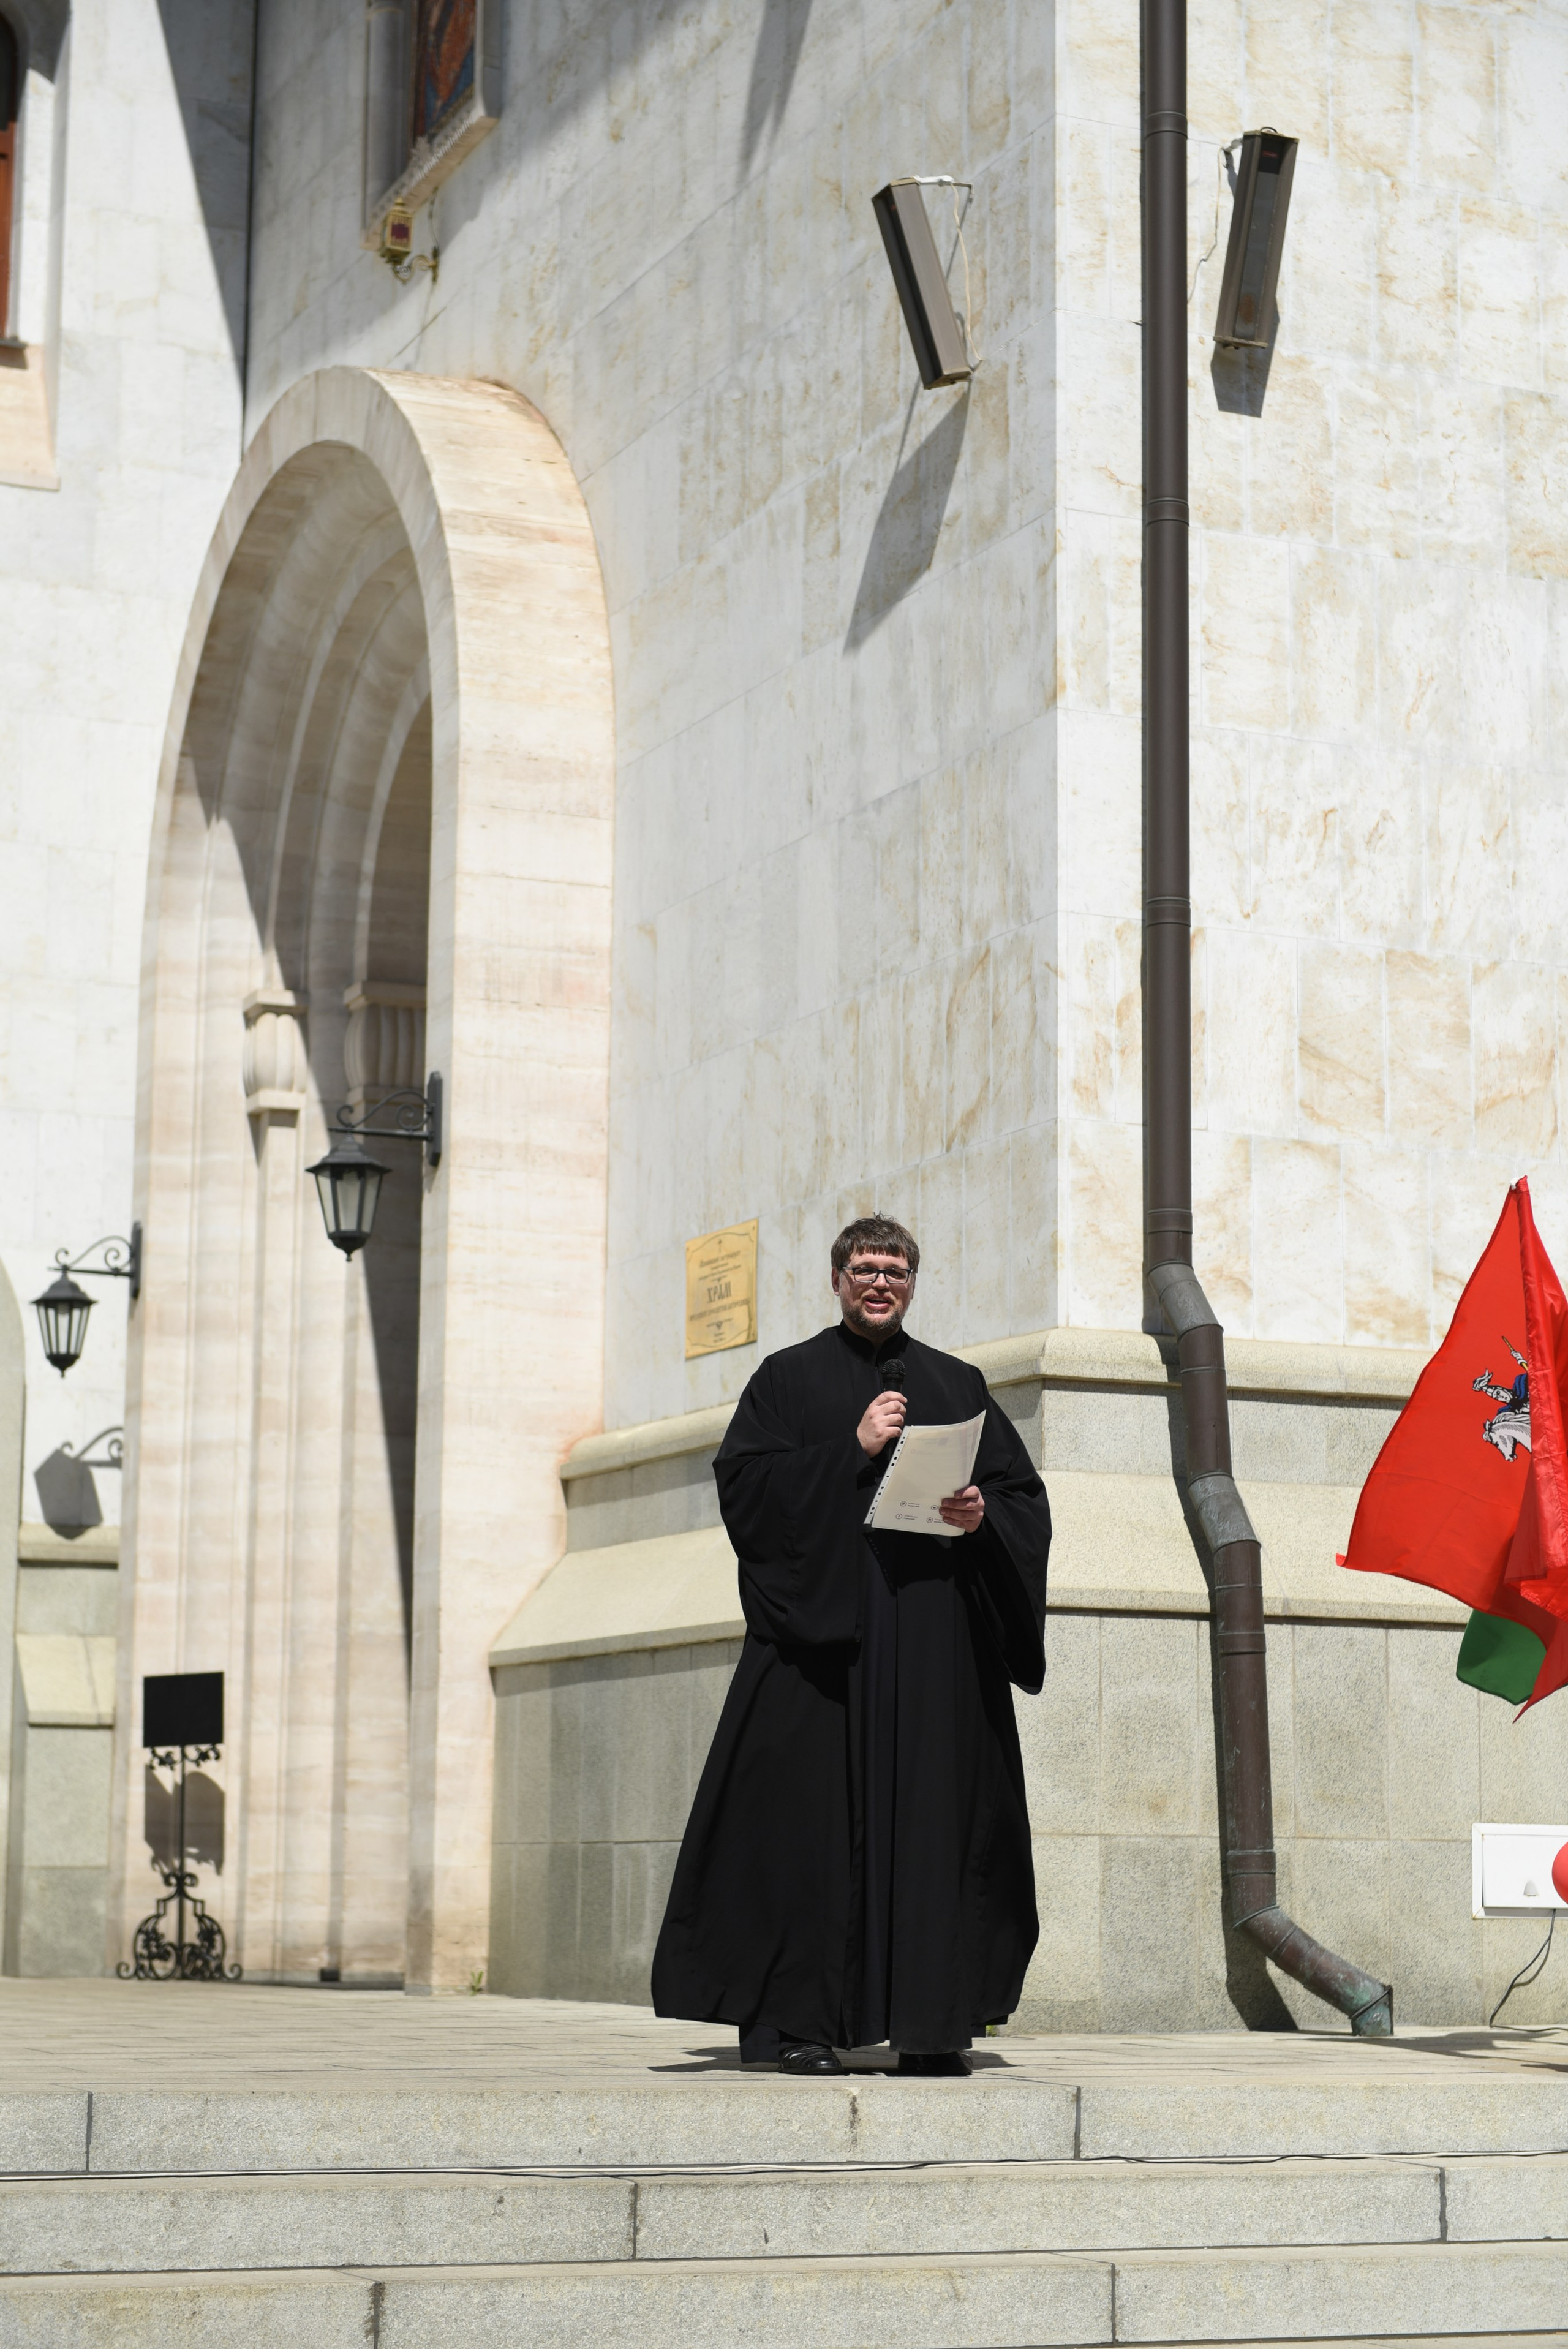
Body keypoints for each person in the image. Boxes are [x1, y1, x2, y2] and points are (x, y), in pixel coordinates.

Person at [650, 1213, 1051, 2076]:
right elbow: (747, 1492)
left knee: (939, 1834)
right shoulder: (786, 1380)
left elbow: (1022, 1500)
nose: (880, 1283)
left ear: (913, 1283)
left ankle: (934, 2026)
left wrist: (983, 1517)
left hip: (936, 1652)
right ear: (836, 1280)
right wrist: (850, 1451)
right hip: (824, 1654)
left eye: (896, 1271)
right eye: (865, 1269)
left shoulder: (959, 1383)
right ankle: (799, 2023)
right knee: (806, 1835)